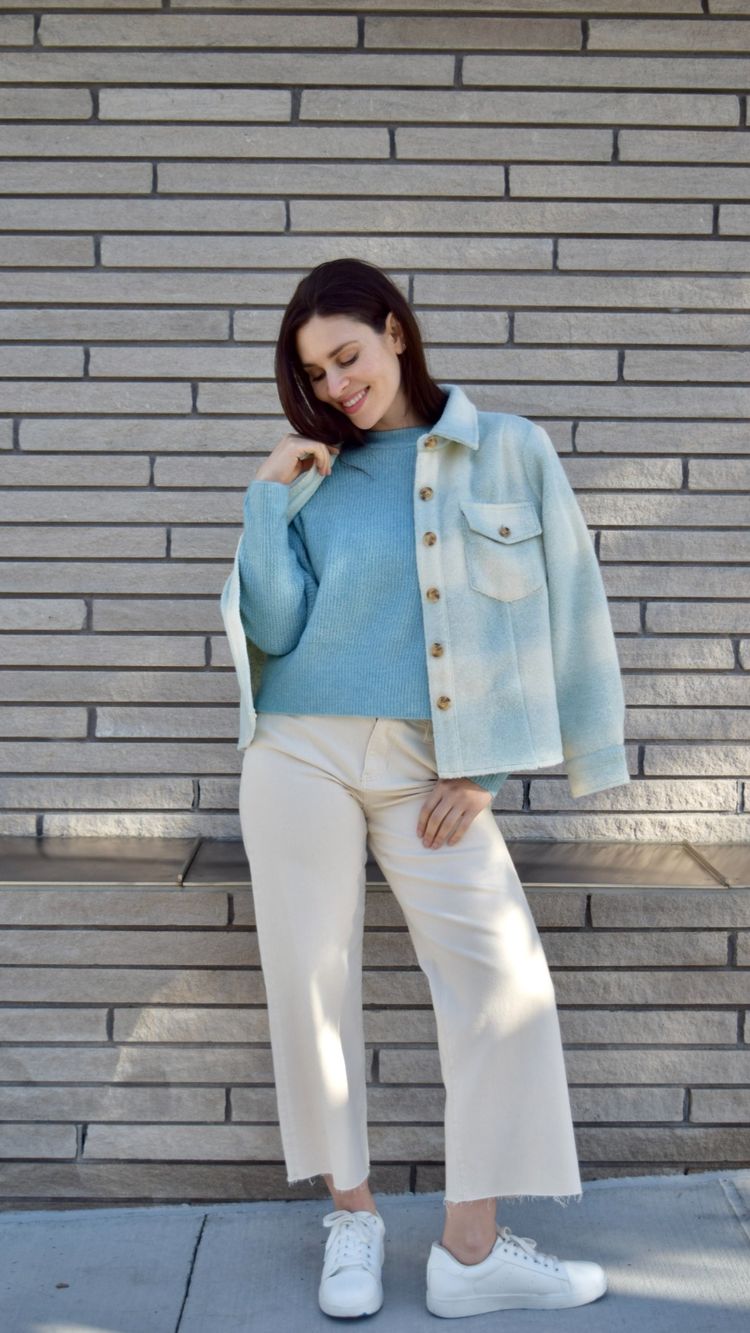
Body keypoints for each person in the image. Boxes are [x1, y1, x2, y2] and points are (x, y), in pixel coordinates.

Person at [222, 256, 628, 1319]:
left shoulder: (510, 450)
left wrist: (489, 768)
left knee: (502, 983)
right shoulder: (318, 473)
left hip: (427, 766)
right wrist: (266, 501)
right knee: (311, 985)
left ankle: (471, 1251)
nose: (336, 385)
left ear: (396, 331)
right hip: (298, 751)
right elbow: (275, 628)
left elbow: (568, 608)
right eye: (316, 373)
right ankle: (352, 1219)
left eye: (347, 356)